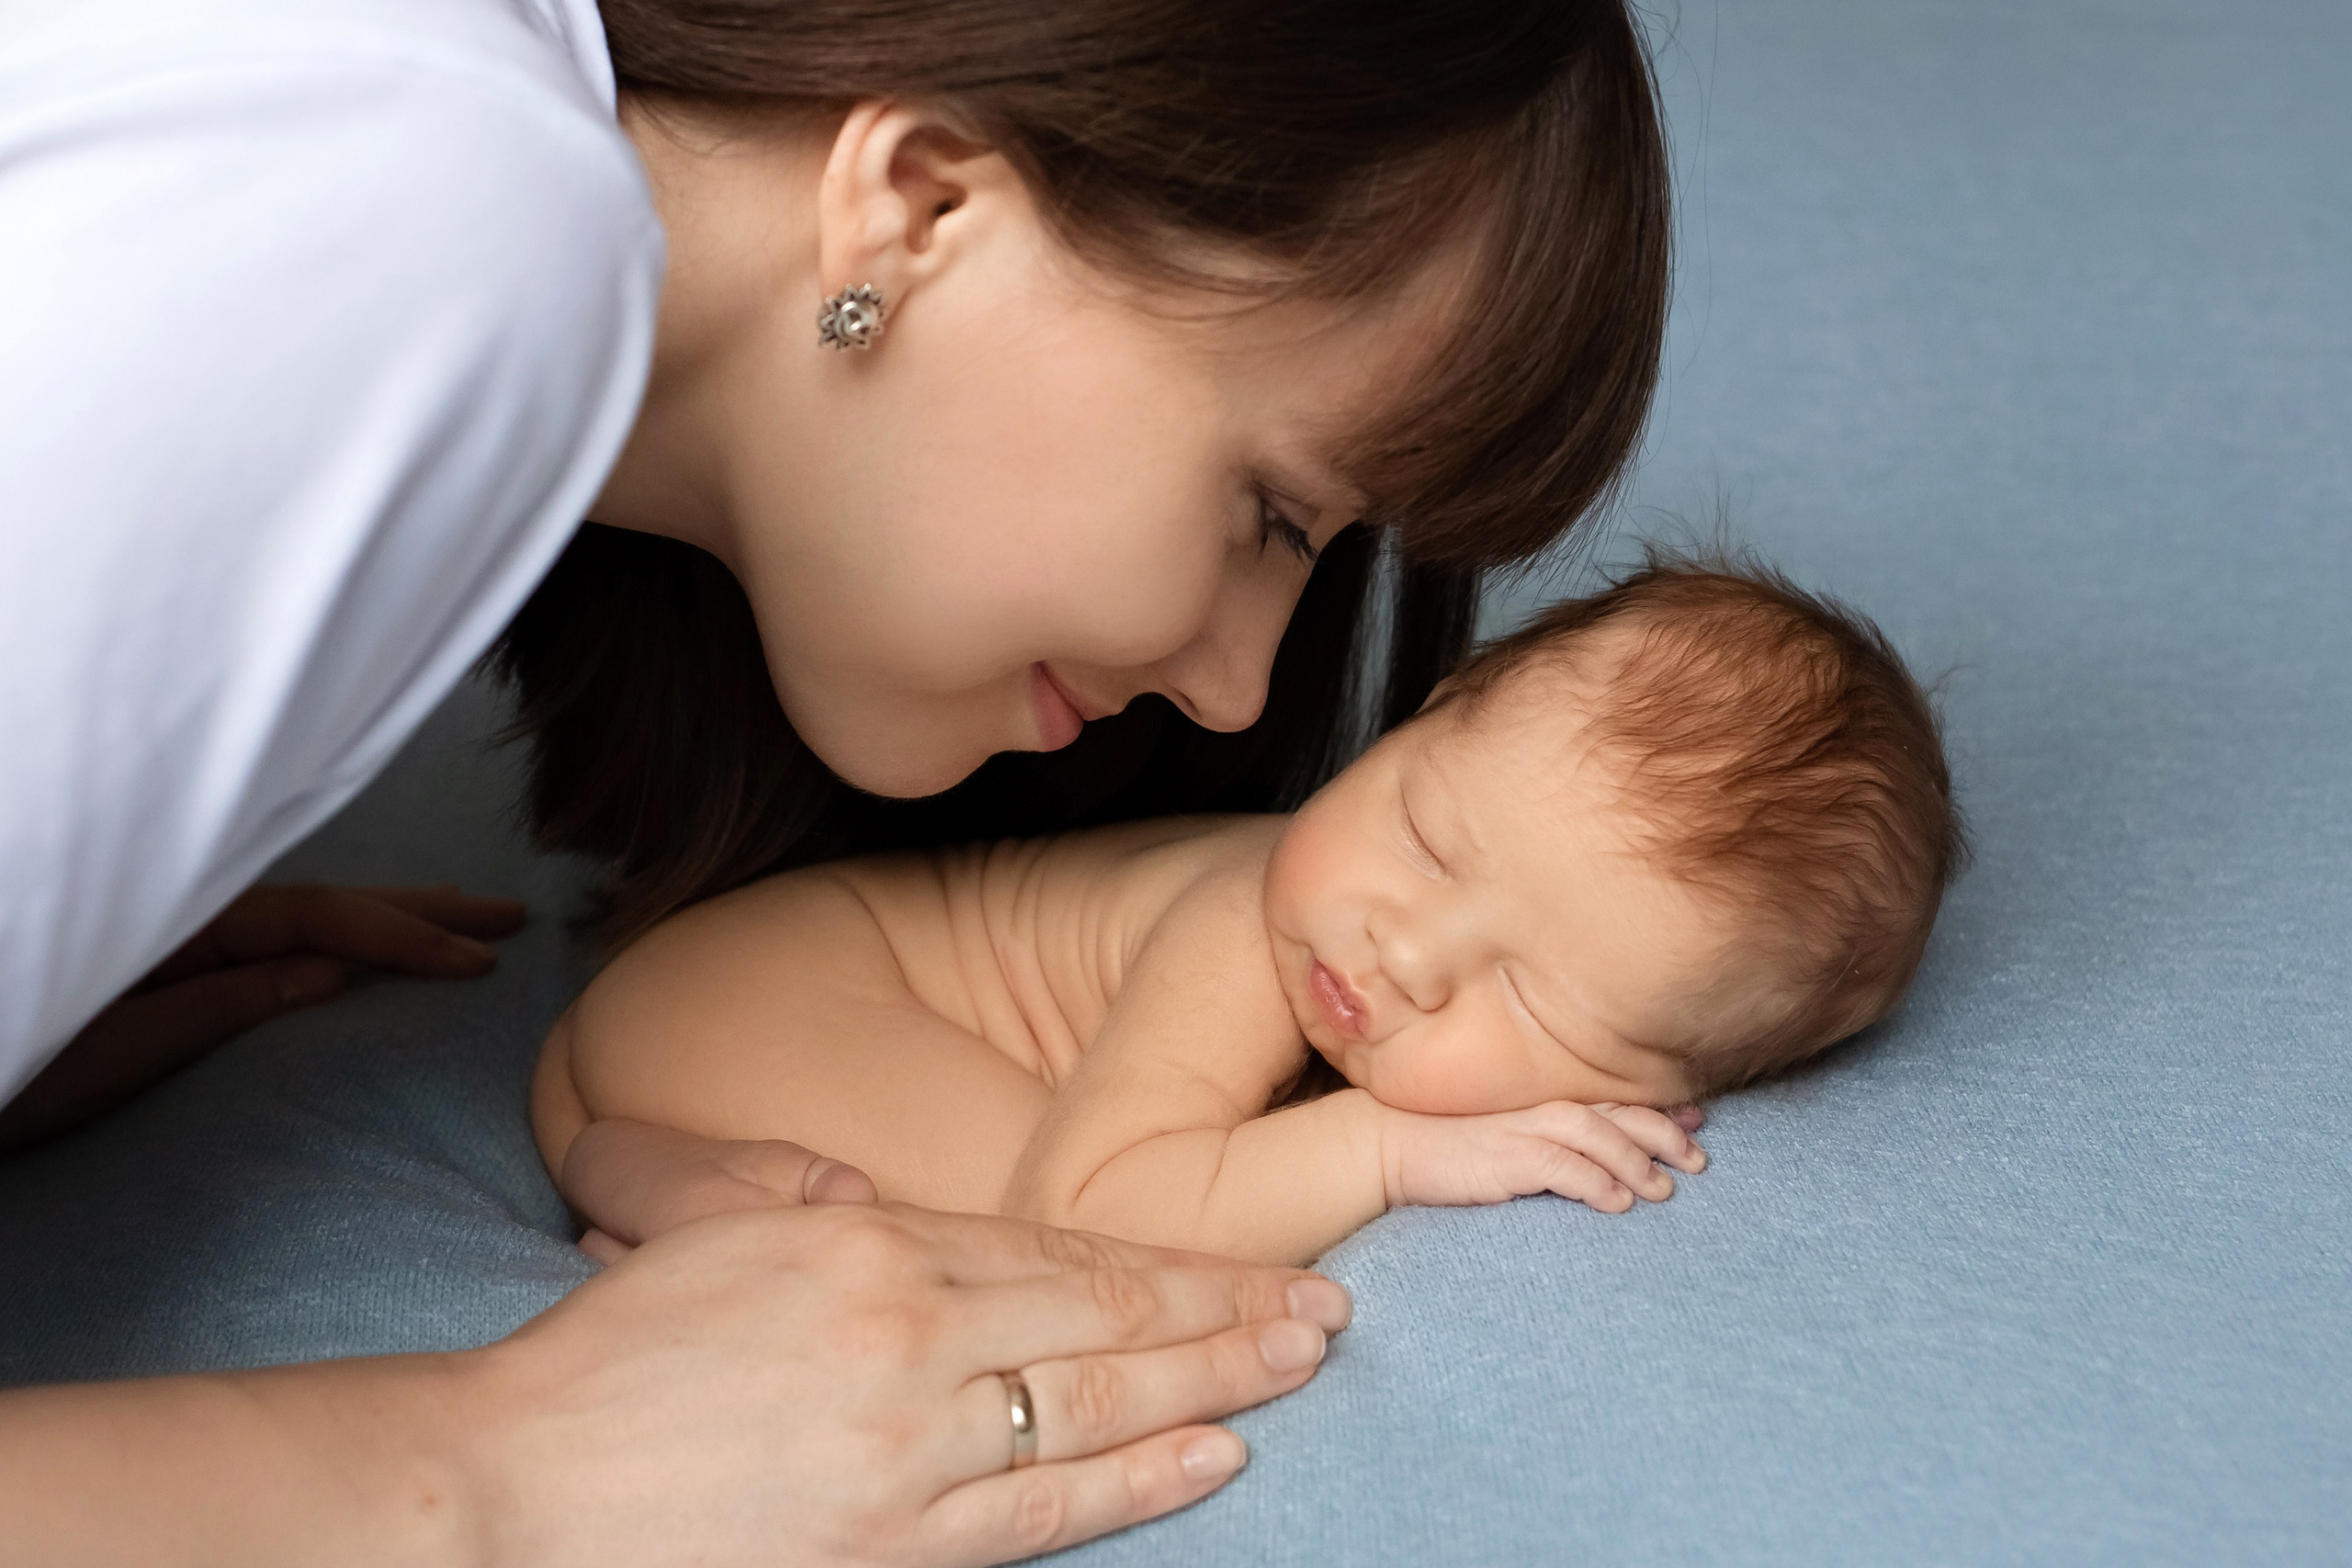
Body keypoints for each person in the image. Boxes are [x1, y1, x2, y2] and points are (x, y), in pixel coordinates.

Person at [0, 0, 1671, 1558]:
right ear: (924, 207)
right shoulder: (452, 222)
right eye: (1271, 515)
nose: (1241, 698)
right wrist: (512, 1470)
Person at [531, 557, 1965, 1267]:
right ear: (1416, 722)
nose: (1400, 950)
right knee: (1044, 1270)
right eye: (1421, 830)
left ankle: (666, 1183)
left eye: (1527, 998)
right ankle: (652, 1187)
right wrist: (1387, 1147)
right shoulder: (1242, 928)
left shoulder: (1353, 928)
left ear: (1661, 1087)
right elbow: (1093, 1207)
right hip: (765, 1000)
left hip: (699, 1038)